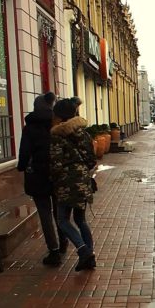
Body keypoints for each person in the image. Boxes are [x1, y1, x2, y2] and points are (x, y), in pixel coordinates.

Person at [17, 92, 66, 267]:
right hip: (56, 173)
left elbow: (24, 151)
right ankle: (63, 242)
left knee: (45, 213)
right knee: (58, 211)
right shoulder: (57, 124)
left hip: (37, 175)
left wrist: (22, 166)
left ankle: (53, 250)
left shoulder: (30, 127)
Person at [50, 98, 97, 271]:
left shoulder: (57, 135)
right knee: (80, 219)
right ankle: (90, 256)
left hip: (66, 184)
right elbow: (92, 159)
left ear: (60, 116)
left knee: (62, 220)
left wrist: (54, 179)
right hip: (83, 181)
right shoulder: (83, 133)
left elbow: (55, 164)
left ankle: (83, 250)